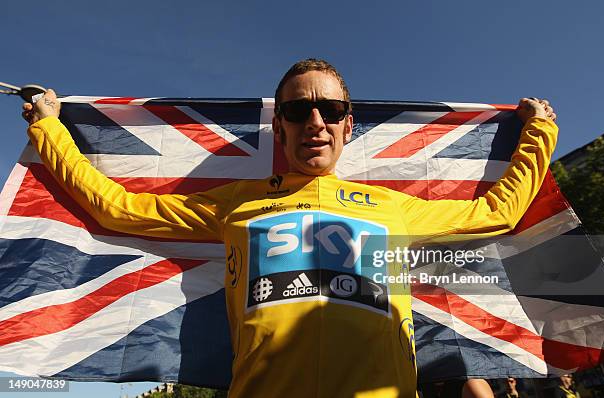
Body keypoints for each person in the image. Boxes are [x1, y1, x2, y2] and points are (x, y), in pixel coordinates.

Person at [21, 58, 558, 398]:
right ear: (279, 126)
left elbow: (498, 212)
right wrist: (49, 127)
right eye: (299, 110)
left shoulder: (393, 206)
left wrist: (539, 132)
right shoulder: (237, 202)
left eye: (329, 108)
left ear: (349, 124)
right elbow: (117, 209)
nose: (315, 121)